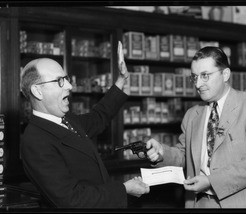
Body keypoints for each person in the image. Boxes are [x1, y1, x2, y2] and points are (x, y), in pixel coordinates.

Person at [146, 46, 246, 211]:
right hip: (202, 203)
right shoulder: (191, 115)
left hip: (245, 203)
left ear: (225, 74)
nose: (198, 84)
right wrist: (162, 153)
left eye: (205, 76)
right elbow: (184, 156)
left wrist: (211, 181)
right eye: (194, 77)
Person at [20, 41, 150, 208]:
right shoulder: (35, 141)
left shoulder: (67, 119)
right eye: (60, 81)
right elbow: (71, 200)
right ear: (38, 91)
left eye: (66, 79)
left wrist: (121, 80)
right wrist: (124, 189)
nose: (69, 86)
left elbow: (98, 117)